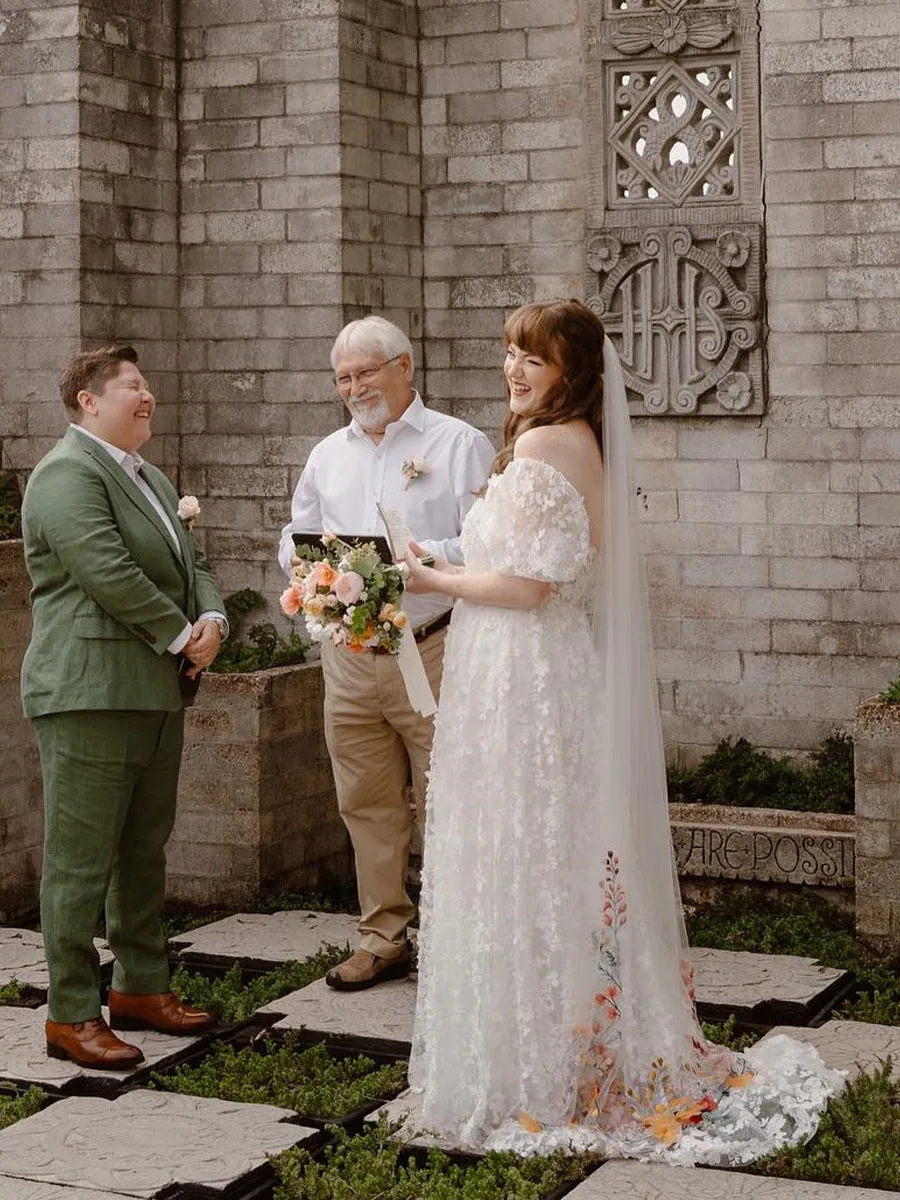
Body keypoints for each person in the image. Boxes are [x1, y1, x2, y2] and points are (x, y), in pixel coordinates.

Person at [405, 301, 842, 1161]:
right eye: (508, 355)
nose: (515, 370)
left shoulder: (540, 446)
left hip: (521, 677)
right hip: (548, 672)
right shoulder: (584, 444)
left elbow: (528, 588)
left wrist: (435, 576)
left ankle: (537, 1067)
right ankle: (580, 1042)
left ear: (573, 368)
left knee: (523, 849)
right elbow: (543, 568)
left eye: (534, 357)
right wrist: (456, 564)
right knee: (556, 851)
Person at [21, 346, 228, 1070]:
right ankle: (71, 1011)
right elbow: (106, 570)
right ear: (87, 399)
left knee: (142, 850)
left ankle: (140, 987)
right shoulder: (65, 475)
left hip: (155, 694)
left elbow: (192, 563)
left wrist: (214, 624)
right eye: (133, 386)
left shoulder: (152, 477)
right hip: (88, 695)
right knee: (78, 864)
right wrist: (181, 635)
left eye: (148, 385)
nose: (148, 397)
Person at [278, 315, 494, 991]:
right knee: (366, 799)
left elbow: (488, 542)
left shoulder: (459, 445)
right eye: (343, 377)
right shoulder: (327, 454)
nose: (354, 387)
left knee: (448, 798)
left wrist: (414, 559)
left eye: (366, 372)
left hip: (431, 649)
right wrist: (309, 565)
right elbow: (294, 534)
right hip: (347, 654)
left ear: (405, 366)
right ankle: (382, 934)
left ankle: (459, 936)